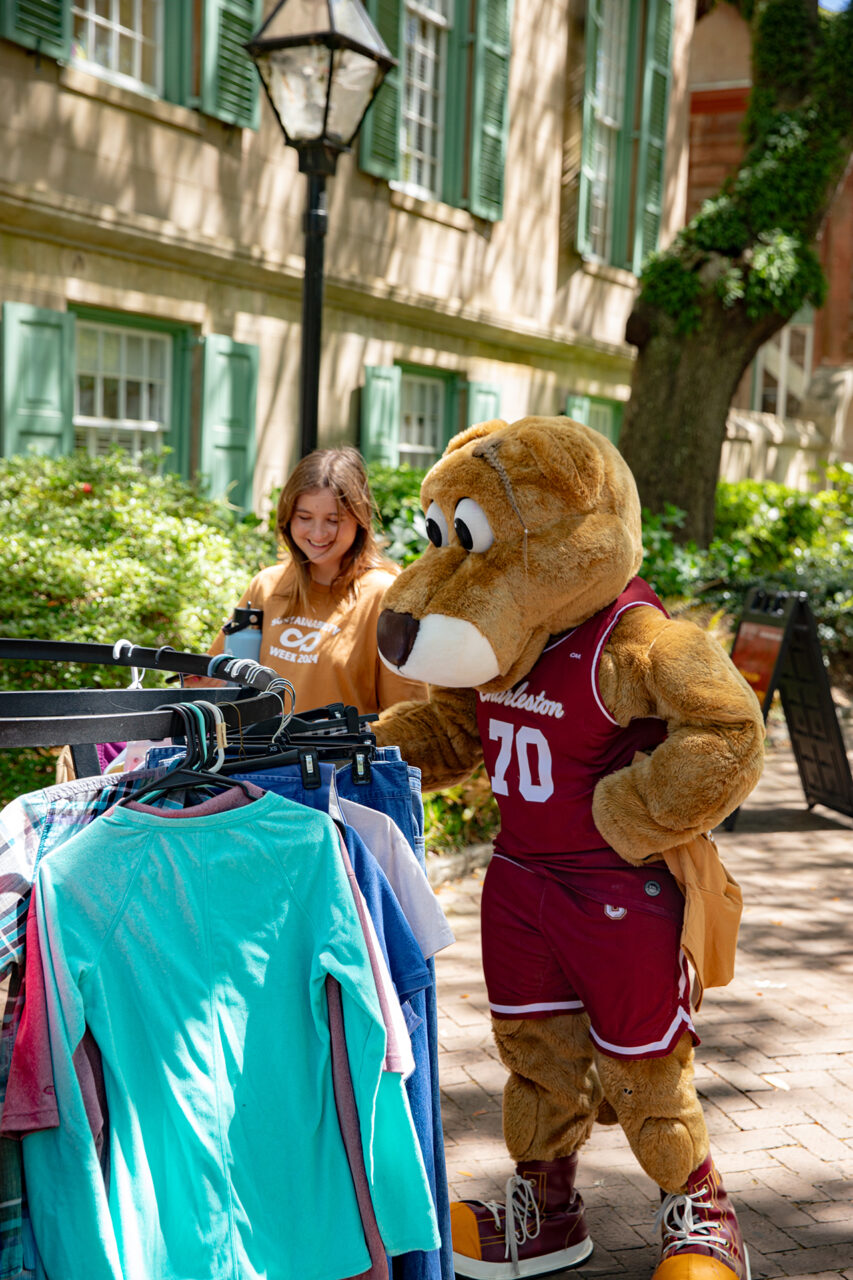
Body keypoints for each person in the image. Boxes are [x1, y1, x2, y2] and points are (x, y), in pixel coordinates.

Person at [205, 446, 428, 716]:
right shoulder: (267, 586)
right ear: (288, 517)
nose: (318, 533)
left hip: (342, 758)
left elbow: (407, 717)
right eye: (304, 518)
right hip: (259, 758)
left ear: (360, 520)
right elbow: (216, 684)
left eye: (333, 520)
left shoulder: (385, 596)